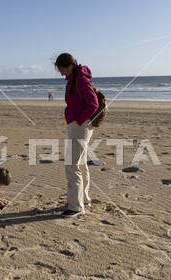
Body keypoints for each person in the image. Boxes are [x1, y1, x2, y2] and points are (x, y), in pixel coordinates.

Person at [55, 53, 99, 218]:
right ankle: (84, 200)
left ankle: (75, 207)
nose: (61, 73)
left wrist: (79, 121)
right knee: (80, 164)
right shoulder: (74, 79)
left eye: (62, 69)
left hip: (81, 126)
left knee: (71, 165)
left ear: (70, 66)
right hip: (77, 125)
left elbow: (93, 104)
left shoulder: (80, 80)